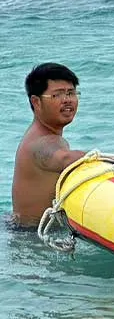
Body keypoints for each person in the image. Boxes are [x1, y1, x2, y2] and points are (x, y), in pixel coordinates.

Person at [11, 64, 86, 228]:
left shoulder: (39, 135)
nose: (67, 99)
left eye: (71, 93)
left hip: (24, 230)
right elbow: (63, 158)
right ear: (36, 102)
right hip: (32, 240)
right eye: (57, 95)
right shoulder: (42, 142)